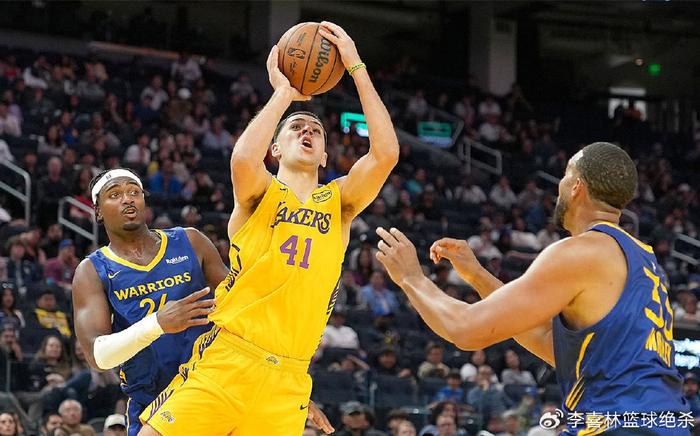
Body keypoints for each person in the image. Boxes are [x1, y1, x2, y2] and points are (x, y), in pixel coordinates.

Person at [139, 21, 398, 436]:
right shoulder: (260, 193)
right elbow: (243, 159)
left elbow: (385, 154)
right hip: (230, 358)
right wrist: (283, 95)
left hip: (290, 378)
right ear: (275, 148)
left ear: (325, 156)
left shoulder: (339, 203)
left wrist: (355, 65)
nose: (307, 131)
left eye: (315, 130)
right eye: (296, 127)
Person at [374, 142, 689, 434]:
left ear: (577, 187)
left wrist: (411, 278)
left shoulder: (581, 252)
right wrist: (478, 276)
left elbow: (466, 329)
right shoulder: (644, 260)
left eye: (565, 175)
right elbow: (555, 347)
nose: (560, 185)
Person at [72, 169, 332, 435]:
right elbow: (97, 356)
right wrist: (158, 324)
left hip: (218, 389)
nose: (127, 199)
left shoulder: (190, 242)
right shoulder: (92, 271)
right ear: (98, 211)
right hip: (153, 400)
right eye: (115, 195)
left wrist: (284, 386)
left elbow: (247, 312)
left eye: (134, 192)